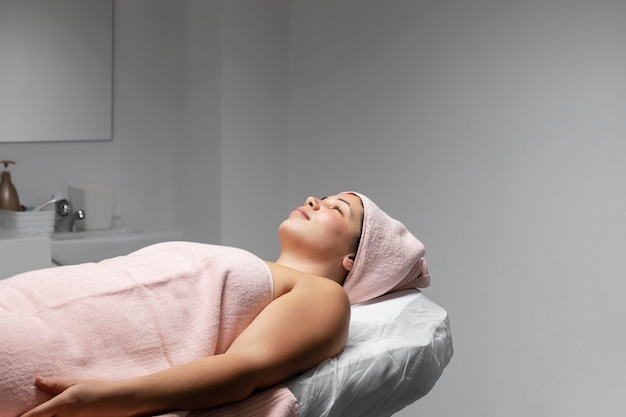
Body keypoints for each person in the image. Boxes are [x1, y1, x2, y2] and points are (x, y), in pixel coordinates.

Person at [2, 192, 428, 417]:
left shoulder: (325, 297)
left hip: (43, 351)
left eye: (338, 208)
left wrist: (110, 398)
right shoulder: (261, 270)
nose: (315, 199)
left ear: (353, 260)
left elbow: (244, 371)